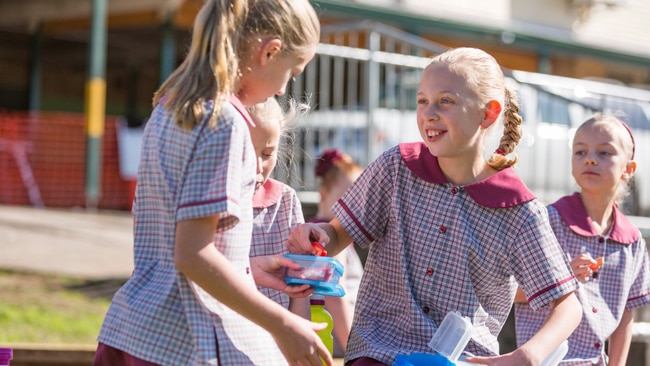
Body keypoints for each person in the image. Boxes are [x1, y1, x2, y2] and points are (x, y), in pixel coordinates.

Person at [287, 47, 583, 366]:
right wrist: (318, 236)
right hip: (378, 354)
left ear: (489, 113)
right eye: (422, 100)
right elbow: (337, 235)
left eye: (446, 101)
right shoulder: (394, 168)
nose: (429, 113)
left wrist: (528, 356)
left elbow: (568, 306)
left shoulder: (519, 211)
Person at [93, 1, 331, 365]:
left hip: (140, 329)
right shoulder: (226, 123)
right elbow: (192, 254)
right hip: (188, 338)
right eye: (292, 72)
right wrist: (281, 322)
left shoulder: (170, 108)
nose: (284, 90)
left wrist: (251, 267)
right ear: (269, 52)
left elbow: (181, 242)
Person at [514, 113, 650, 366]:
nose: (589, 158)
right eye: (580, 152)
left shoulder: (633, 243)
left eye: (604, 153)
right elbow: (509, 292)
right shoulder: (547, 222)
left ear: (628, 169)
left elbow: (626, 315)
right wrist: (562, 279)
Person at [248, 97, 311, 319]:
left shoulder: (286, 200)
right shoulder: (211, 201)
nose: (257, 166)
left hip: (278, 340)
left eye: (267, 154)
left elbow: (300, 288)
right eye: (246, 151)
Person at [311, 148, 365, 357]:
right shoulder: (329, 239)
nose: (357, 206)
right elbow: (334, 295)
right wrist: (355, 350)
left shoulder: (317, 232)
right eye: (348, 199)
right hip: (336, 337)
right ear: (324, 196)